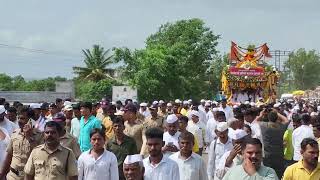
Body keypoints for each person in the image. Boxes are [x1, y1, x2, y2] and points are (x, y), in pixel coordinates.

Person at [0, 107, 43, 180]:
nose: (19, 121)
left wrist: (30, 138)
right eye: (18, 118)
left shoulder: (40, 136)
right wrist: (2, 174)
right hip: (12, 176)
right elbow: (9, 156)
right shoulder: (15, 134)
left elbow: (40, 156)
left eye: (22, 118)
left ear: (31, 120)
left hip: (29, 177)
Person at [257, 110, 289, 178]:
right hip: (279, 154)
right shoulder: (281, 126)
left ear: (268, 118)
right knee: (279, 173)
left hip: (267, 155)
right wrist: (277, 113)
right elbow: (286, 120)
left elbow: (256, 120)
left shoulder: (264, 126)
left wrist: (261, 114)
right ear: (277, 118)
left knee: (267, 173)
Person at [107, 116, 138, 180]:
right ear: (112, 128)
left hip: (127, 174)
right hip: (113, 173)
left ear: (123, 127)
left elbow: (135, 158)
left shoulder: (131, 141)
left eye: (119, 126)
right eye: (115, 126)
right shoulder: (109, 143)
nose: (117, 128)